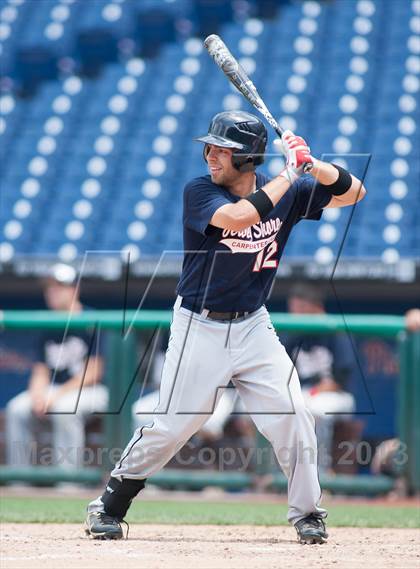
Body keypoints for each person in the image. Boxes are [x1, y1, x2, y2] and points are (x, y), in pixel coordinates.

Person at [85, 111, 366, 544]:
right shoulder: (200, 191)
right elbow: (238, 218)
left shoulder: (288, 190)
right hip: (200, 323)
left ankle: (308, 514)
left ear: (249, 158)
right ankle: (109, 505)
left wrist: (312, 165)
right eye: (210, 146)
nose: (211, 155)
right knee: (177, 422)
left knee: (294, 414)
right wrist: (291, 174)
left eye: (223, 149)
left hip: (254, 324)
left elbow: (354, 193)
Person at [5, 264, 108, 470]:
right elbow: (41, 369)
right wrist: (38, 395)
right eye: (49, 288)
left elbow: (94, 371)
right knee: (16, 409)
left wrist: (56, 395)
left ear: (74, 289)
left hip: (91, 390)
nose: (52, 292)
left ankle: (67, 481)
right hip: (55, 390)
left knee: (65, 409)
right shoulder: (47, 323)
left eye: (59, 287)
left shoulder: (92, 319)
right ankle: (20, 478)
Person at [283, 282, 356, 473]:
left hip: (335, 396)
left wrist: (312, 393)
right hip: (303, 393)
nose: (294, 315)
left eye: (299, 309)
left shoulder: (335, 330)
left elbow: (341, 378)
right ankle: (277, 475)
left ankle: (319, 472)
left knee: (316, 411)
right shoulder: (292, 333)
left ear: (314, 307)